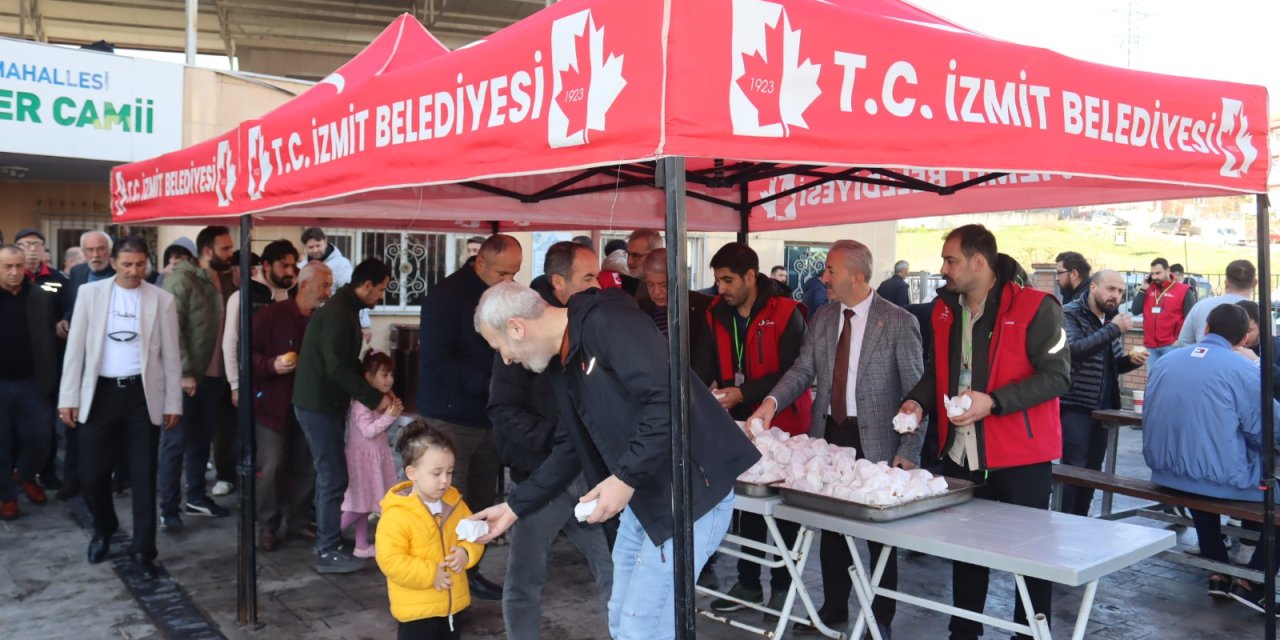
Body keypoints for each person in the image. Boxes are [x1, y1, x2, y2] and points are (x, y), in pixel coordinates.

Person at [469, 282, 759, 640]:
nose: (507, 359)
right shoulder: (565, 361)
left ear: (516, 327)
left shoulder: (608, 320)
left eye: (500, 348)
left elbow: (668, 399)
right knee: (622, 617)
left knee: (643, 627)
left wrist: (624, 478)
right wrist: (515, 507)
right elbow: (570, 447)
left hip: (692, 494)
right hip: (646, 496)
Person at [899, 224, 1070, 640]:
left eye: (950, 260)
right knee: (966, 551)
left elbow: (1058, 377)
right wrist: (918, 402)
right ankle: (964, 631)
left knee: (1030, 557)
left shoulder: (1037, 306)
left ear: (979, 262)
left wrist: (992, 402)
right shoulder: (943, 310)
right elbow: (937, 368)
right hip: (961, 453)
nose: (943, 268)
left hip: (1022, 458)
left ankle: (1029, 632)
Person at [750, 240, 925, 638]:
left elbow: (917, 392)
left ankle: (880, 620)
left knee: (881, 540)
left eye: (830, 271)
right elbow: (802, 369)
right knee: (831, 529)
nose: (822, 278)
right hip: (829, 436)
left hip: (879, 441)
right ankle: (834, 609)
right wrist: (771, 403)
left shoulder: (898, 321)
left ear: (857, 276)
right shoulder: (824, 317)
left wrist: (909, 451)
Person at [487, 241, 613, 640]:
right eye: (588, 279)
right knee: (524, 578)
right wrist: (559, 442)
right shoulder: (520, 327)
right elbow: (502, 409)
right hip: (539, 475)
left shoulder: (592, 324)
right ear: (559, 283)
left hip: (590, 476)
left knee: (616, 568)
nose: (599, 287)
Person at [690, 242, 808, 612]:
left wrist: (743, 392)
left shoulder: (787, 312)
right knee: (746, 507)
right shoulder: (715, 312)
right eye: (717, 280)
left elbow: (794, 372)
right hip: (736, 425)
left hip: (784, 424)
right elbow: (704, 364)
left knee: (782, 512)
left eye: (727, 280)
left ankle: (783, 591)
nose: (720, 288)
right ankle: (748, 584)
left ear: (750, 277)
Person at [58, 237, 182, 580]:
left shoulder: (162, 300)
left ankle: (144, 550)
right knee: (92, 475)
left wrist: (173, 401)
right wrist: (68, 397)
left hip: (142, 397)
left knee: (143, 477)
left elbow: (171, 356)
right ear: (113, 262)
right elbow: (76, 351)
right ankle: (104, 527)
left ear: (148, 264)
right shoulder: (90, 295)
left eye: (140, 264)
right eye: (127, 264)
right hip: (99, 395)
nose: (133, 271)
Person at [1142, 303, 1280, 611]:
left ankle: (1219, 570)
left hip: (1165, 473)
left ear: (1206, 329)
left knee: (1202, 475)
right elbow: (1269, 430)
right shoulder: (1242, 368)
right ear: (1244, 339)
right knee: (1223, 476)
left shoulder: (1166, 361)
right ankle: (1252, 582)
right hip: (1217, 479)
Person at [417, 233, 522, 600]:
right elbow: (435, 363)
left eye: (515, 274)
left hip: (488, 419)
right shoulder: (445, 297)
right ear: (480, 262)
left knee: (478, 505)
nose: (510, 282)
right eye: (503, 273)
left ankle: (471, 572)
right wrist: (493, 383)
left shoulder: (506, 296)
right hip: (450, 419)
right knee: (446, 506)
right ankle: (443, 584)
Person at [294, 258, 395, 574]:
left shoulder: (345, 310)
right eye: (380, 289)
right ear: (365, 286)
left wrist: (375, 390)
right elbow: (336, 366)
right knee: (333, 476)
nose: (380, 296)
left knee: (334, 475)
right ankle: (327, 549)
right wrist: (373, 398)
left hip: (326, 403)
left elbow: (344, 364)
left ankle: (331, 540)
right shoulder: (339, 312)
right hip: (317, 405)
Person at [377, 421, 484, 640]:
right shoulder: (397, 513)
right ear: (412, 472)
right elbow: (390, 560)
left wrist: (467, 553)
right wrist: (430, 573)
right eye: (436, 473)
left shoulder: (455, 504)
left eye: (450, 472)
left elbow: (475, 534)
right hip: (417, 611)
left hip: (453, 605)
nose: (445, 480)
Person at [251, 262, 330, 552]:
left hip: (311, 406)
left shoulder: (324, 319)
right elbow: (247, 355)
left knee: (308, 466)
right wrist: (271, 365)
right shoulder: (271, 315)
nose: (328, 292)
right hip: (272, 406)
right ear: (305, 285)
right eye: (324, 285)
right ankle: (267, 525)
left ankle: (298, 521)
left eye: (330, 285)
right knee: (271, 466)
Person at [158, 226, 233, 530]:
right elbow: (171, 328)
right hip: (188, 376)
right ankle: (169, 508)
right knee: (175, 442)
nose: (230, 253)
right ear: (206, 251)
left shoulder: (225, 278)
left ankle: (196, 497)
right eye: (225, 249)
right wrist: (185, 372)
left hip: (214, 375)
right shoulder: (181, 278)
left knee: (202, 440)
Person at [1058, 270, 1147, 516]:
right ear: (1094, 287)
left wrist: (1131, 361)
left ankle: (1081, 521)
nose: (1116, 295)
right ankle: (1064, 522)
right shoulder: (1070, 313)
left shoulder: (1109, 320)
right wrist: (1113, 330)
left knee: (1094, 472)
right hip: (1076, 404)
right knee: (1074, 469)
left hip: (1103, 408)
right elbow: (1073, 351)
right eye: (1110, 289)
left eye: (1120, 291)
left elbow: (1114, 364)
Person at [57, 230, 118, 500]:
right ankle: (73, 477)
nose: (96, 255)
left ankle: (113, 475)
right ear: (82, 253)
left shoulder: (120, 274)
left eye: (101, 249)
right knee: (74, 420)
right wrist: (65, 319)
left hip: (110, 361)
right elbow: (74, 306)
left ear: (110, 251)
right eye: (90, 250)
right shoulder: (79, 273)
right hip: (81, 359)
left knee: (107, 424)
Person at [0, 244, 59, 519]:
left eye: (18, 266)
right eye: (7, 267)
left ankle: (24, 474)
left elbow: (47, 338)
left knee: (41, 436)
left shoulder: (38, 297)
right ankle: (7, 496)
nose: (14, 272)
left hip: (32, 382)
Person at [223, 239, 298, 410]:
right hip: (254, 383)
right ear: (266, 265)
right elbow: (230, 343)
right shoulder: (242, 296)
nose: (289, 272)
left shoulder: (294, 294)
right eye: (284, 266)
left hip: (289, 386)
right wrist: (235, 386)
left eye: (292, 266)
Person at [343, 351, 404, 559]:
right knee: (359, 505)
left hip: (375, 456)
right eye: (384, 375)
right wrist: (389, 416)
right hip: (362, 460)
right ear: (369, 377)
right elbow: (368, 431)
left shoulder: (381, 399)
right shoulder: (361, 403)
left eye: (391, 375)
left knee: (364, 503)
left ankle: (361, 545)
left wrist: (392, 413)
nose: (389, 380)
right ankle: (330, 536)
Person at [301, 227, 369, 341]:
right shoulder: (302, 266)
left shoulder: (341, 265)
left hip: (336, 324)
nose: (315, 250)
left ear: (325, 242)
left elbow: (354, 294)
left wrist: (364, 324)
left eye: (318, 245)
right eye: (311, 247)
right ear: (305, 247)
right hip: (308, 324)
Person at [638, 248, 713, 351]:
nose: (656, 292)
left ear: (679, 280)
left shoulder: (705, 306)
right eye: (650, 285)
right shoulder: (638, 308)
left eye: (664, 285)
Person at [1130, 257, 1195, 365]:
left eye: (1158, 273)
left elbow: (1191, 319)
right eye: (1152, 274)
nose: (1155, 277)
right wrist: (1142, 289)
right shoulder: (1148, 289)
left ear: (1168, 271)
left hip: (1171, 345)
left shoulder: (1184, 290)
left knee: (1169, 380)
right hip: (1150, 347)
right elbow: (1135, 311)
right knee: (1153, 380)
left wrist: (1180, 340)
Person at [1175, 259, 1256, 347]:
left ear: (1226, 283)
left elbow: (1184, 342)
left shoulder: (1200, 306)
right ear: (1255, 283)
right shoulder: (1261, 313)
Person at [623, 229, 662, 296]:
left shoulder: (670, 288)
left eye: (636, 255)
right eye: (628, 254)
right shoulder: (625, 285)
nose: (629, 261)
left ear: (654, 254)